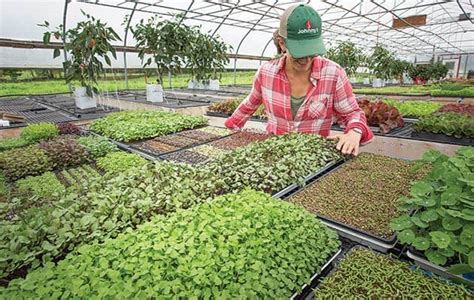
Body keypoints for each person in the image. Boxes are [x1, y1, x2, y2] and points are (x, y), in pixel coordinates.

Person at [225, 4, 374, 156]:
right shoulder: (266, 72)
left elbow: (352, 113)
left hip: (314, 158)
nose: (307, 59)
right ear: (282, 43)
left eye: (312, 51)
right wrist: (228, 129)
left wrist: (354, 132)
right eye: (300, 52)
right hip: (273, 155)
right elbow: (250, 103)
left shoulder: (333, 73)